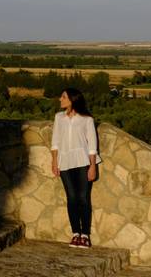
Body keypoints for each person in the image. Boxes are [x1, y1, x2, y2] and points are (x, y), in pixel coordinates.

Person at [51, 87, 100, 249]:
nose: (60, 99)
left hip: (83, 161)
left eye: (63, 97)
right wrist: (54, 161)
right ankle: (75, 234)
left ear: (72, 100)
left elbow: (92, 145)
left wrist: (93, 166)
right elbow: (55, 141)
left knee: (83, 198)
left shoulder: (86, 119)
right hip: (64, 161)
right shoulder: (59, 117)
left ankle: (85, 234)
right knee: (71, 198)